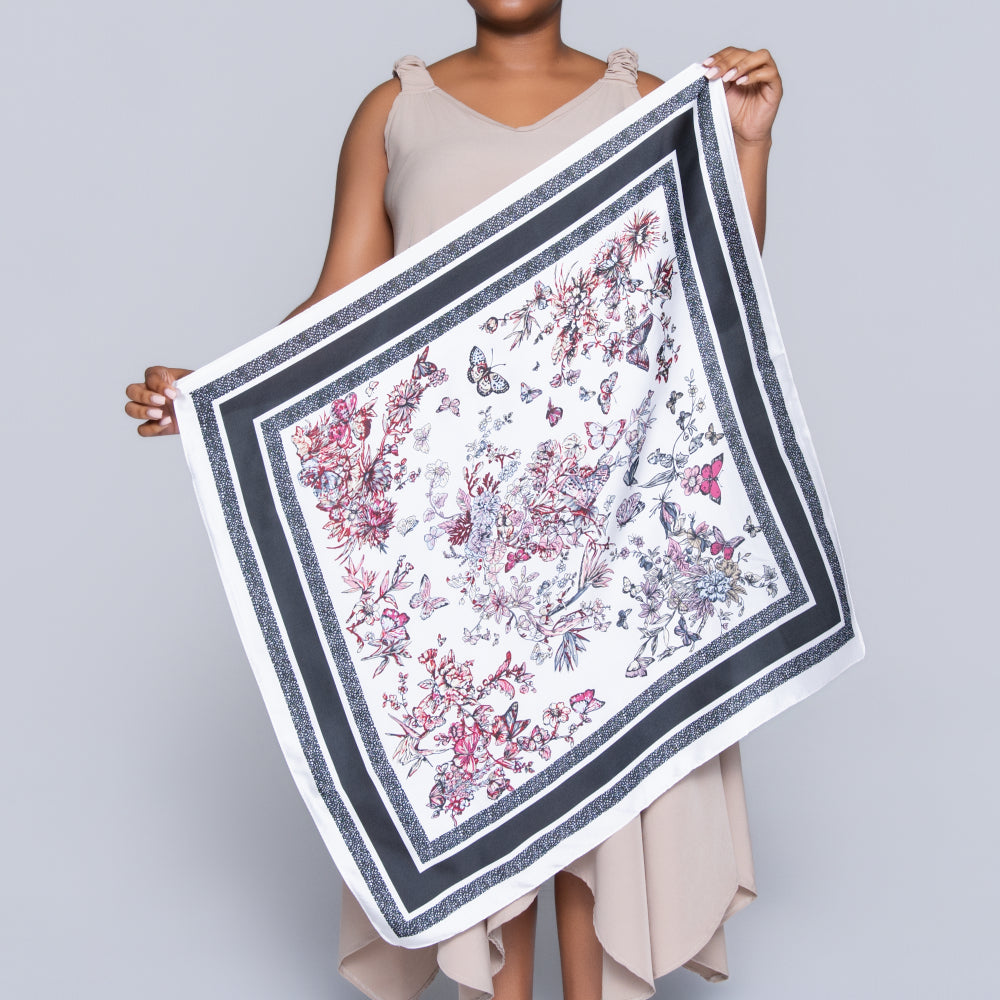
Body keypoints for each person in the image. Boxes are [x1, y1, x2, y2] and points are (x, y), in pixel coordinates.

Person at [124, 3, 782, 998]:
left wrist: (748, 147)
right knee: (492, 817)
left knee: (606, 813)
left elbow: (705, 286)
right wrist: (216, 394)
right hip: (456, 539)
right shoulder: (395, 111)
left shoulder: (645, 102)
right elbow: (337, 306)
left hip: (601, 533)